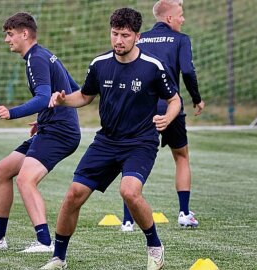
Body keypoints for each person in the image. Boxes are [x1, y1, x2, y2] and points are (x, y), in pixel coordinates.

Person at [40, 7, 181, 270]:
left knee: (129, 191)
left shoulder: (153, 67)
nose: (118, 40)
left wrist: (168, 117)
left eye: (125, 35)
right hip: (107, 141)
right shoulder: (99, 64)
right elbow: (84, 96)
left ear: (137, 37)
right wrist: (62, 100)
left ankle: (155, 247)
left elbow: (174, 99)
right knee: (73, 194)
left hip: (140, 142)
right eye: (115, 34)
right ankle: (58, 258)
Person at [0, 12, 81, 253]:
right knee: (3, 169)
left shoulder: (36, 59)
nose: (7, 40)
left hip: (60, 132)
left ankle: (44, 241)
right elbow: (73, 89)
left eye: (10, 34)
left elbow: (42, 98)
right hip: (51, 128)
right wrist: (42, 120)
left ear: (25, 34)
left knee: (25, 180)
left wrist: (12, 112)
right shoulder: (44, 55)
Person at [121, 0, 205, 232]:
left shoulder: (139, 38)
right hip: (170, 107)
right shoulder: (181, 40)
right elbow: (187, 70)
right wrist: (197, 98)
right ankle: (184, 213)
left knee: (132, 155)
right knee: (181, 156)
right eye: (180, 14)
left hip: (140, 108)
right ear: (169, 18)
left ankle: (128, 220)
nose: (183, 19)